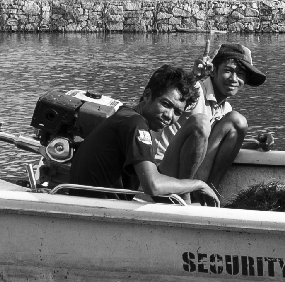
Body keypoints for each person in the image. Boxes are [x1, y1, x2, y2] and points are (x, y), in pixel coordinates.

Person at [68, 65, 221, 206]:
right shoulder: (135, 124)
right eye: (166, 104)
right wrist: (199, 185)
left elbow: (155, 190)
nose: (169, 116)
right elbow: (153, 186)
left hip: (93, 205)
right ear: (147, 95)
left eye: (178, 112)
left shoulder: (125, 115)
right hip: (97, 212)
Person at [162, 41, 264, 186]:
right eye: (228, 71)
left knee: (237, 122)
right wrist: (193, 77)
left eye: (240, 74)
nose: (234, 79)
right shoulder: (195, 91)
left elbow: (215, 146)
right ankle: (188, 194)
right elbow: (171, 95)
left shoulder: (226, 108)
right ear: (213, 71)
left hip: (191, 172)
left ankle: (210, 193)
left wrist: (257, 144)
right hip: (164, 171)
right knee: (223, 121)